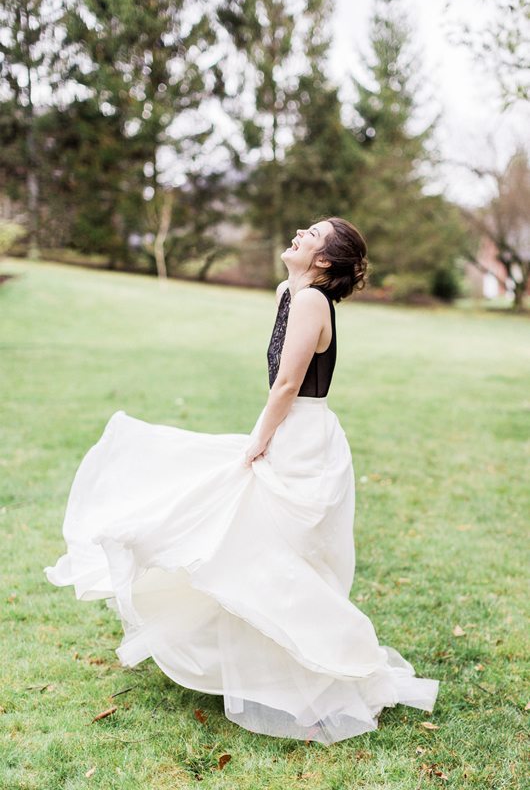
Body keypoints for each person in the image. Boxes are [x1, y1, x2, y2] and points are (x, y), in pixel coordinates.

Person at [44, 216, 439, 745]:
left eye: (312, 234)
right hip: (291, 429)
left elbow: (287, 385)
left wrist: (259, 441)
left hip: (302, 439)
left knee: (271, 554)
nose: (299, 233)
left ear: (324, 261)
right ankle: (261, 663)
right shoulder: (290, 292)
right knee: (245, 543)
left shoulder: (311, 302)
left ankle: (316, 667)